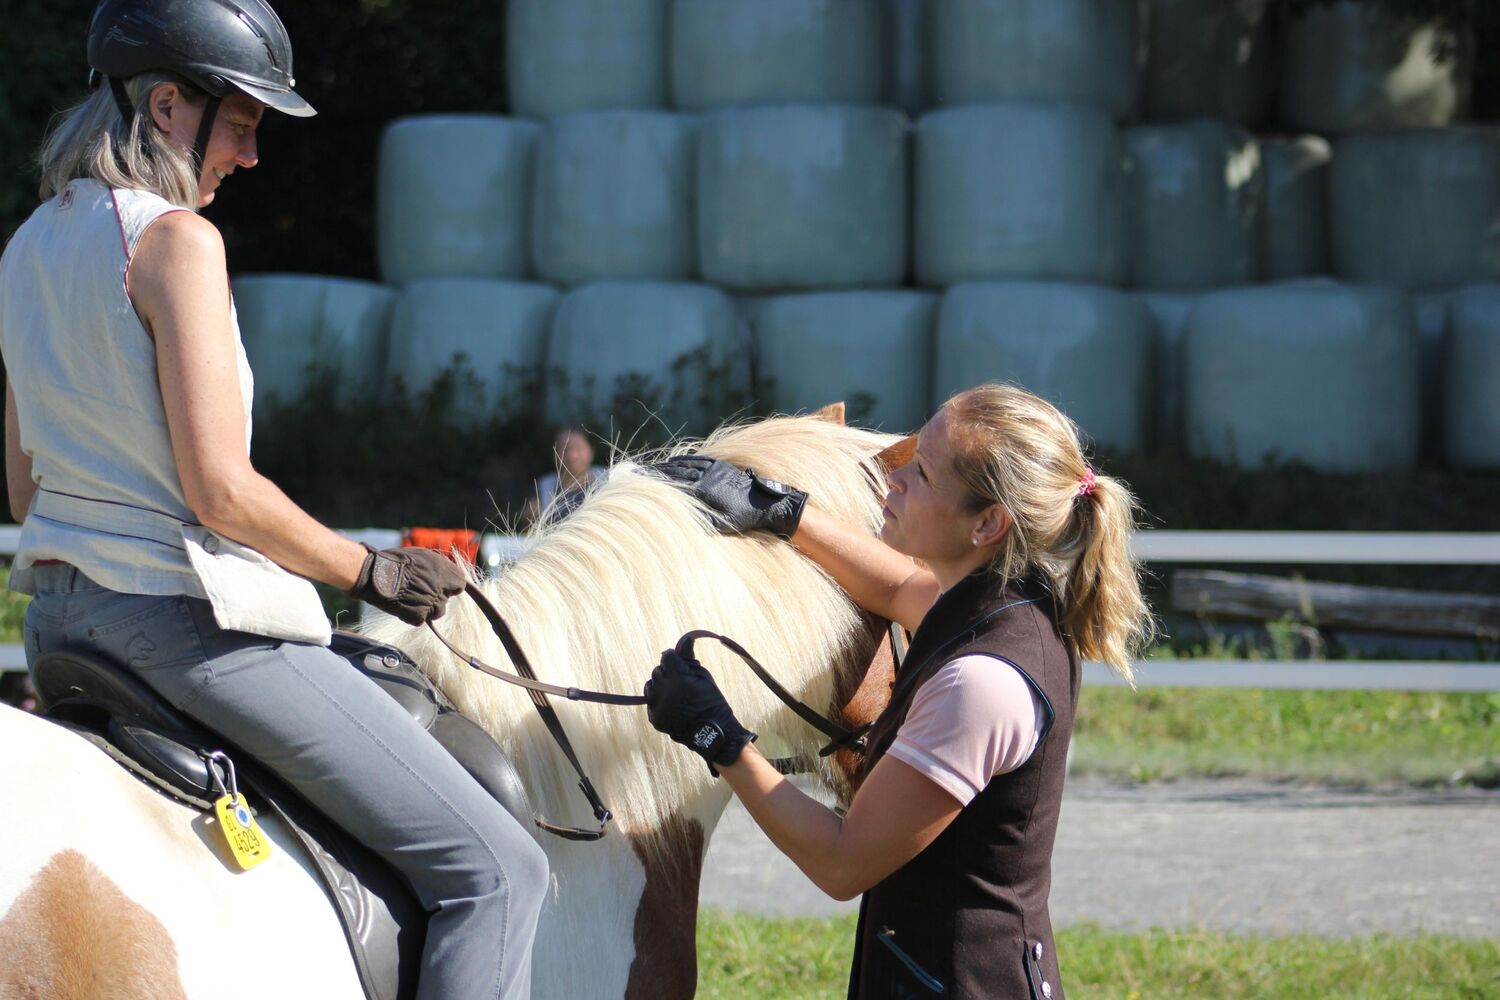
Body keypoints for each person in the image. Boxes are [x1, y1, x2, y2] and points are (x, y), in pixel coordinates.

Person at [0, 3, 547, 997]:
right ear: (167, 106)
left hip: (60, 627)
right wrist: (371, 566)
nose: (251, 155)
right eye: (243, 122)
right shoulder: (175, 244)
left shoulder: (28, 247)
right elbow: (222, 492)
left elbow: (25, 483)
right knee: (500, 870)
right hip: (187, 629)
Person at [647, 383, 1154, 1000]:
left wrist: (720, 739)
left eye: (924, 474)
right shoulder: (1009, 602)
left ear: (988, 522)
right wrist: (784, 510)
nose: (894, 481)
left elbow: (841, 862)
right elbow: (893, 590)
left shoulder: (981, 685)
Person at [525, 424, 606, 523]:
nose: (572, 456)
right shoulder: (543, 487)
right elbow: (527, 530)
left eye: (579, 448)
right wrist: (529, 518)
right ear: (555, 453)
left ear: (591, 451)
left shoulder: (609, 480)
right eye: (565, 449)